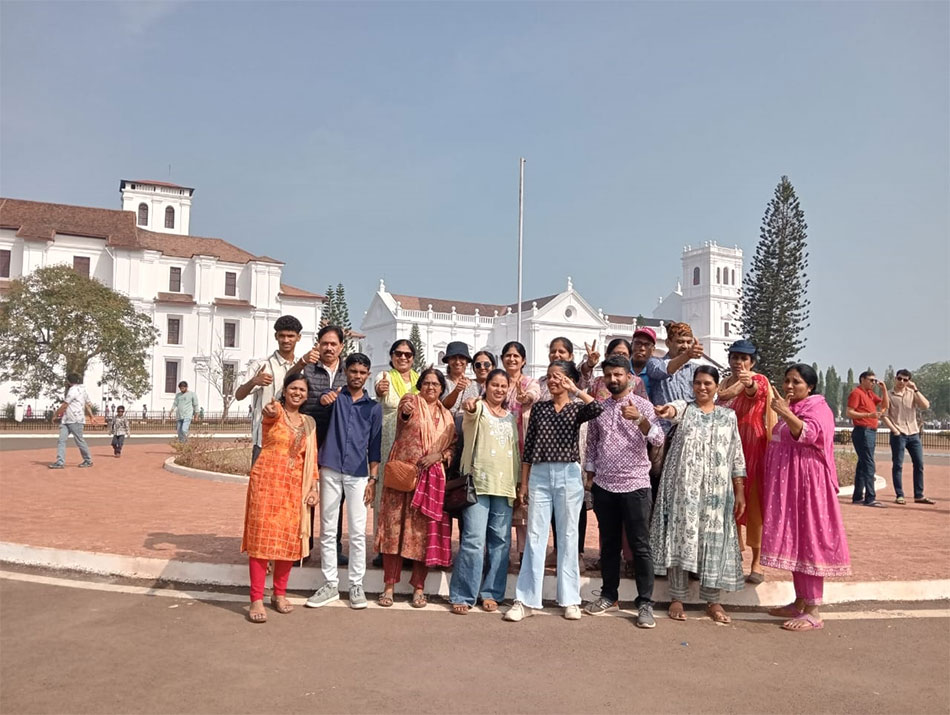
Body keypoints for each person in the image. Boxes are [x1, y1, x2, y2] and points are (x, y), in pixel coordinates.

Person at [504, 361, 603, 622]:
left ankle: (570, 599)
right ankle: (526, 600)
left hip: (569, 474)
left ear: (569, 380)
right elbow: (530, 448)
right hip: (540, 473)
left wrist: (576, 389)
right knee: (536, 536)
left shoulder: (576, 408)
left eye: (558, 377)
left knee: (568, 536)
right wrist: (524, 484)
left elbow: (597, 407)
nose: (553, 381)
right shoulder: (540, 409)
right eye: (549, 377)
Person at [650, 366, 747, 624]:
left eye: (707, 383)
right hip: (684, 491)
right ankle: (677, 597)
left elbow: (736, 455)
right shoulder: (685, 409)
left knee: (714, 542)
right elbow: (671, 410)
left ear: (717, 387)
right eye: (697, 383)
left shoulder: (728, 416)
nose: (702, 388)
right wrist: (664, 411)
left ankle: (713, 602)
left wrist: (739, 491)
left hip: (717, 493)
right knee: (683, 538)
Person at [761, 364, 851, 631]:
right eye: (787, 380)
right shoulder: (794, 407)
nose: (789, 386)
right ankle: (800, 601)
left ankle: (814, 610)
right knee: (796, 540)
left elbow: (809, 434)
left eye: (796, 382)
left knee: (809, 538)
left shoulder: (818, 408)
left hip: (809, 486)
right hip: (791, 485)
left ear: (810, 386)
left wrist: (786, 413)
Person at [584, 355, 664, 627]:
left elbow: (657, 438)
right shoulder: (600, 408)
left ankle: (644, 603)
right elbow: (592, 445)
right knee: (609, 545)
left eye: (618, 374)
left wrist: (639, 419)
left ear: (630, 377)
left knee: (640, 546)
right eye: (609, 375)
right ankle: (609, 595)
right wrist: (590, 476)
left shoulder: (643, 406)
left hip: (636, 485)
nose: (613, 379)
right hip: (605, 486)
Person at [375, 368, 457, 608]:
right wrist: (406, 412)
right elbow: (404, 415)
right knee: (394, 531)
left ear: (442, 389)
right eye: (427, 383)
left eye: (436, 384)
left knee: (422, 534)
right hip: (402, 478)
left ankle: (418, 589)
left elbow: (452, 447)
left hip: (431, 481)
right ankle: (388, 587)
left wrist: (439, 455)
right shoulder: (411, 401)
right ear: (420, 385)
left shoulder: (447, 417)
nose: (431, 387)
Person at [306, 353, 382, 610]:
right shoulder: (334, 399)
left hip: (359, 474)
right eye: (353, 371)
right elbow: (316, 414)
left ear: (367, 375)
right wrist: (324, 400)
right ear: (346, 372)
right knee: (328, 530)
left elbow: (374, 445)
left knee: (358, 533)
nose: (357, 376)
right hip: (330, 467)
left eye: (362, 372)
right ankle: (330, 584)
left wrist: (373, 479)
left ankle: (356, 585)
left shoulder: (372, 408)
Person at [241, 372, 318, 623]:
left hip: (294, 487)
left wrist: (313, 488)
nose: (297, 393)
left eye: (302, 390)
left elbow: (311, 459)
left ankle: (279, 594)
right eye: (293, 388)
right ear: (284, 391)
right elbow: (269, 414)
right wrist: (271, 409)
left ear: (307, 396)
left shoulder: (309, 423)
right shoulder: (274, 413)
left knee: (288, 541)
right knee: (261, 541)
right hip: (266, 482)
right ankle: (256, 599)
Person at [449, 369, 520, 614]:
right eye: (494, 385)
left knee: (500, 543)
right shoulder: (477, 409)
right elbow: (468, 413)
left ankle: (491, 593)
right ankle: (463, 594)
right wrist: (469, 404)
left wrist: (519, 485)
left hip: (504, 486)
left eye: (503, 386)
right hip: (478, 484)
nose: (499, 390)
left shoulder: (511, 418)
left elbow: (516, 454)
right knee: (473, 540)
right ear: (486, 387)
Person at [717, 339, 774, 583]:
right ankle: (732, 556)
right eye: (735, 357)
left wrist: (748, 382)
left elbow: (754, 391)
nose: (739, 362)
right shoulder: (723, 385)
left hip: (753, 450)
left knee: (753, 506)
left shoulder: (757, 380)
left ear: (752, 362)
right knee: (728, 504)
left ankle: (757, 561)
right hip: (727, 450)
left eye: (744, 358)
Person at [301, 325, 350, 564]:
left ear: (342, 346)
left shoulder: (348, 373)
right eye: (325, 343)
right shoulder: (307, 371)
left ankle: (334, 548)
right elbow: (296, 397)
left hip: (338, 444)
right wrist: (320, 401)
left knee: (335, 499)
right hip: (310, 439)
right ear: (318, 345)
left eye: (333, 344)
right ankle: (304, 544)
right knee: (305, 493)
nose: (329, 348)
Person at [371, 338, 420, 568]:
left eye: (407, 354)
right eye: (398, 353)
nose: (403, 357)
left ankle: (406, 548)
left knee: (408, 497)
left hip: (412, 446)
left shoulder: (420, 381)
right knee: (385, 494)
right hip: (388, 442)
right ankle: (383, 547)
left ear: (413, 358)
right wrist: (378, 391)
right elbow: (377, 396)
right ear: (391, 356)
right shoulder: (384, 379)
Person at [234, 315, 306, 465]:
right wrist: (254, 381)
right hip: (264, 440)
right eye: (282, 336)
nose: (286, 340)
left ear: (298, 337)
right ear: (276, 336)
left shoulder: (303, 368)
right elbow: (239, 395)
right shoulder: (262, 365)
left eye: (290, 336)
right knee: (259, 487)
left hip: (292, 440)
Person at [501, 340, 541, 564]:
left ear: (523, 360)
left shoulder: (530, 382)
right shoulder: (498, 382)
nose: (512, 359)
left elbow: (534, 394)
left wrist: (526, 397)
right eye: (508, 355)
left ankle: (525, 554)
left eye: (516, 356)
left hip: (525, 450)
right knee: (505, 502)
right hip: (502, 450)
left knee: (525, 503)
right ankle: (502, 554)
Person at [884, 369, 935, 505]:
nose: (901, 382)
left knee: (919, 464)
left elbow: (925, 405)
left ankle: (919, 495)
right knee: (898, 465)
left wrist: (916, 389)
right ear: (895, 378)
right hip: (898, 434)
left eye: (905, 380)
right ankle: (899, 495)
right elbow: (884, 415)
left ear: (909, 381)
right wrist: (894, 430)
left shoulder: (912, 393)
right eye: (900, 379)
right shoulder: (888, 395)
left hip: (913, 433)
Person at [847, 370, 890, 508]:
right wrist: (869, 415)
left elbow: (885, 405)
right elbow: (849, 412)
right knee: (869, 464)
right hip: (863, 431)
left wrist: (884, 390)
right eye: (871, 380)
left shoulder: (870, 394)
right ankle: (870, 497)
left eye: (874, 380)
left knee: (863, 464)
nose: (873, 383)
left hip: (869, 431)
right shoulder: (856, 393)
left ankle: (858, 496)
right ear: (862, 380)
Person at [48, 372, 94, 469]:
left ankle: (88, 460)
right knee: (61, 440)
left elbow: (65, 405)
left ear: (68, 382)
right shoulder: (83, 390)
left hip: (75, 420)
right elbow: (88, 404)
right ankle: (60, 462)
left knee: (79, 440)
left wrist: (56, 414)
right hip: (66, 420)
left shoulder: (73, 391)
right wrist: (91, 415)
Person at [579, 338, 648, 401]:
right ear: (607, 356)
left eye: (624, 354)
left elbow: (644, 407)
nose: (620, 357)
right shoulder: (598, 382)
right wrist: (589, 365)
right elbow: (581, 386)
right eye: (616, 354)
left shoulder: (637, 382)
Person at [441, 341, 480, 415]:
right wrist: (456, 391)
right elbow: (445, 405)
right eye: (453, 358)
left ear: (467, 362)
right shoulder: (442, 382)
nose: (457, 362)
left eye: (461, 358)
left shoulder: (476, 386)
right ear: (448, 361)